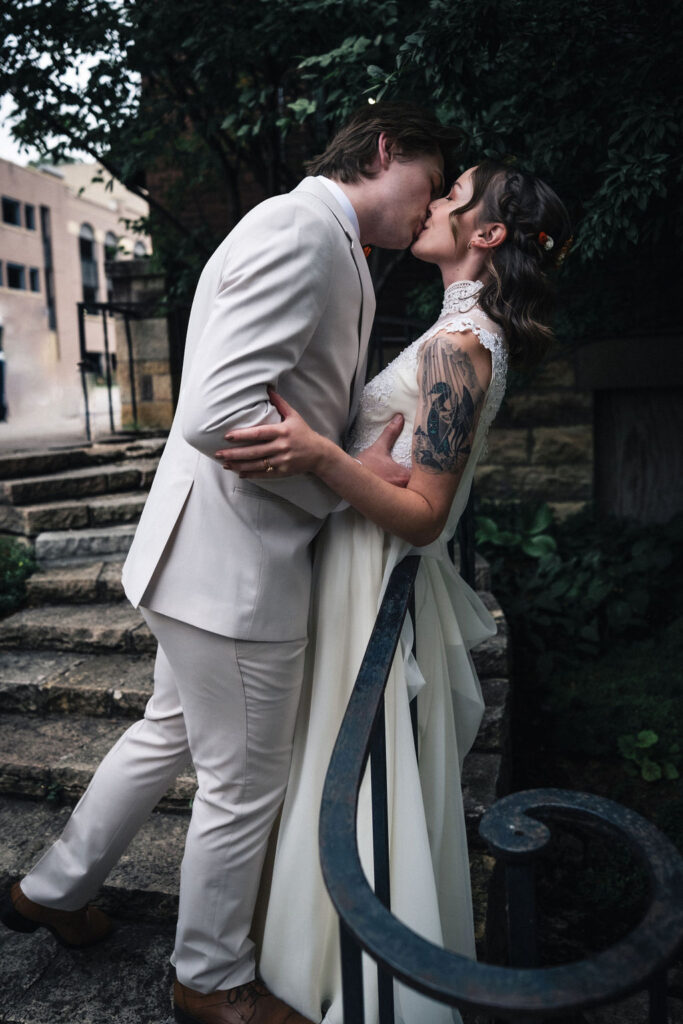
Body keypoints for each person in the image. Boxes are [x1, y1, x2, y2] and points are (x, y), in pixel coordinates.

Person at [1, 104, 456, 1024]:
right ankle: (209, 979)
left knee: (165, 730)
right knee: (243, 785)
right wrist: (343, 479)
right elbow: (214, 413)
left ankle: (50, 890)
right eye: (432, 181)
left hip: (206, 555)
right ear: (384, 149)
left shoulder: (330, 240)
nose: (432, 206)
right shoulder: (302, 229)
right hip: (238, 567)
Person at [218, 161, 572, 1023]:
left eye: (456, 195)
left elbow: (420, 515)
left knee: (355, 778)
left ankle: (357, 980)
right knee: (338, 774)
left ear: (485, 234)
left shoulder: (458, 350)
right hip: (352, 567)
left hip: (374, 577)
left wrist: (324, 459)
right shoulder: (453, 336)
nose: (438, 200)